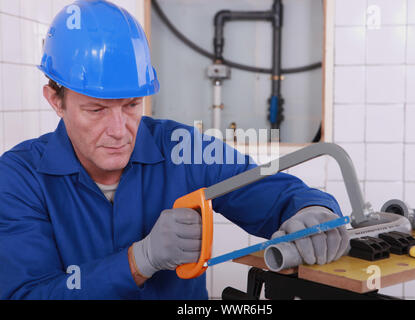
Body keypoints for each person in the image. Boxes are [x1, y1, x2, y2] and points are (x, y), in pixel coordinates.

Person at [0, 0, 348, 300]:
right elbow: (27, 293)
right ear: (56, 101)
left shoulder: (182, 149)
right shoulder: (20, 177)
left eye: (132, 105)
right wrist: (140, 260)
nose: (120, 131)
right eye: (97, 110)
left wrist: (312, 208)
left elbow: (267, 189)